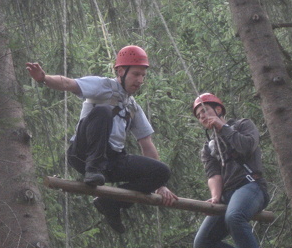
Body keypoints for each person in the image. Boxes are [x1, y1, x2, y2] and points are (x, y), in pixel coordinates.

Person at [26, 45, 178, 233]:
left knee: (161, 171)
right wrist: (43, 78)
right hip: (83, 153)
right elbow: (68, 83)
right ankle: (93, 169)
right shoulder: (103, 86)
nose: (140, 80)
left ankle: (111, 203)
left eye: (143, 76)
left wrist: (159, 185)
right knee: (103, 111)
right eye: (136, 74)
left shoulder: (133, 106)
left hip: (110, 161)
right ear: (121, 71)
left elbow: (146, 144)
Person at [192, 93, 285, 248]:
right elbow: (213, 175)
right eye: (199, 115)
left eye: (205, 111)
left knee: (234, 217)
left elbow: (247, 147)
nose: (203, 116)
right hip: (227, 195)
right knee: (203, 243)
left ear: (218, 110)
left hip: (251, 186)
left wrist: (222, 127)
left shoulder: (243, 125)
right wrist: (215, 198)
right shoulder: (208, 148)